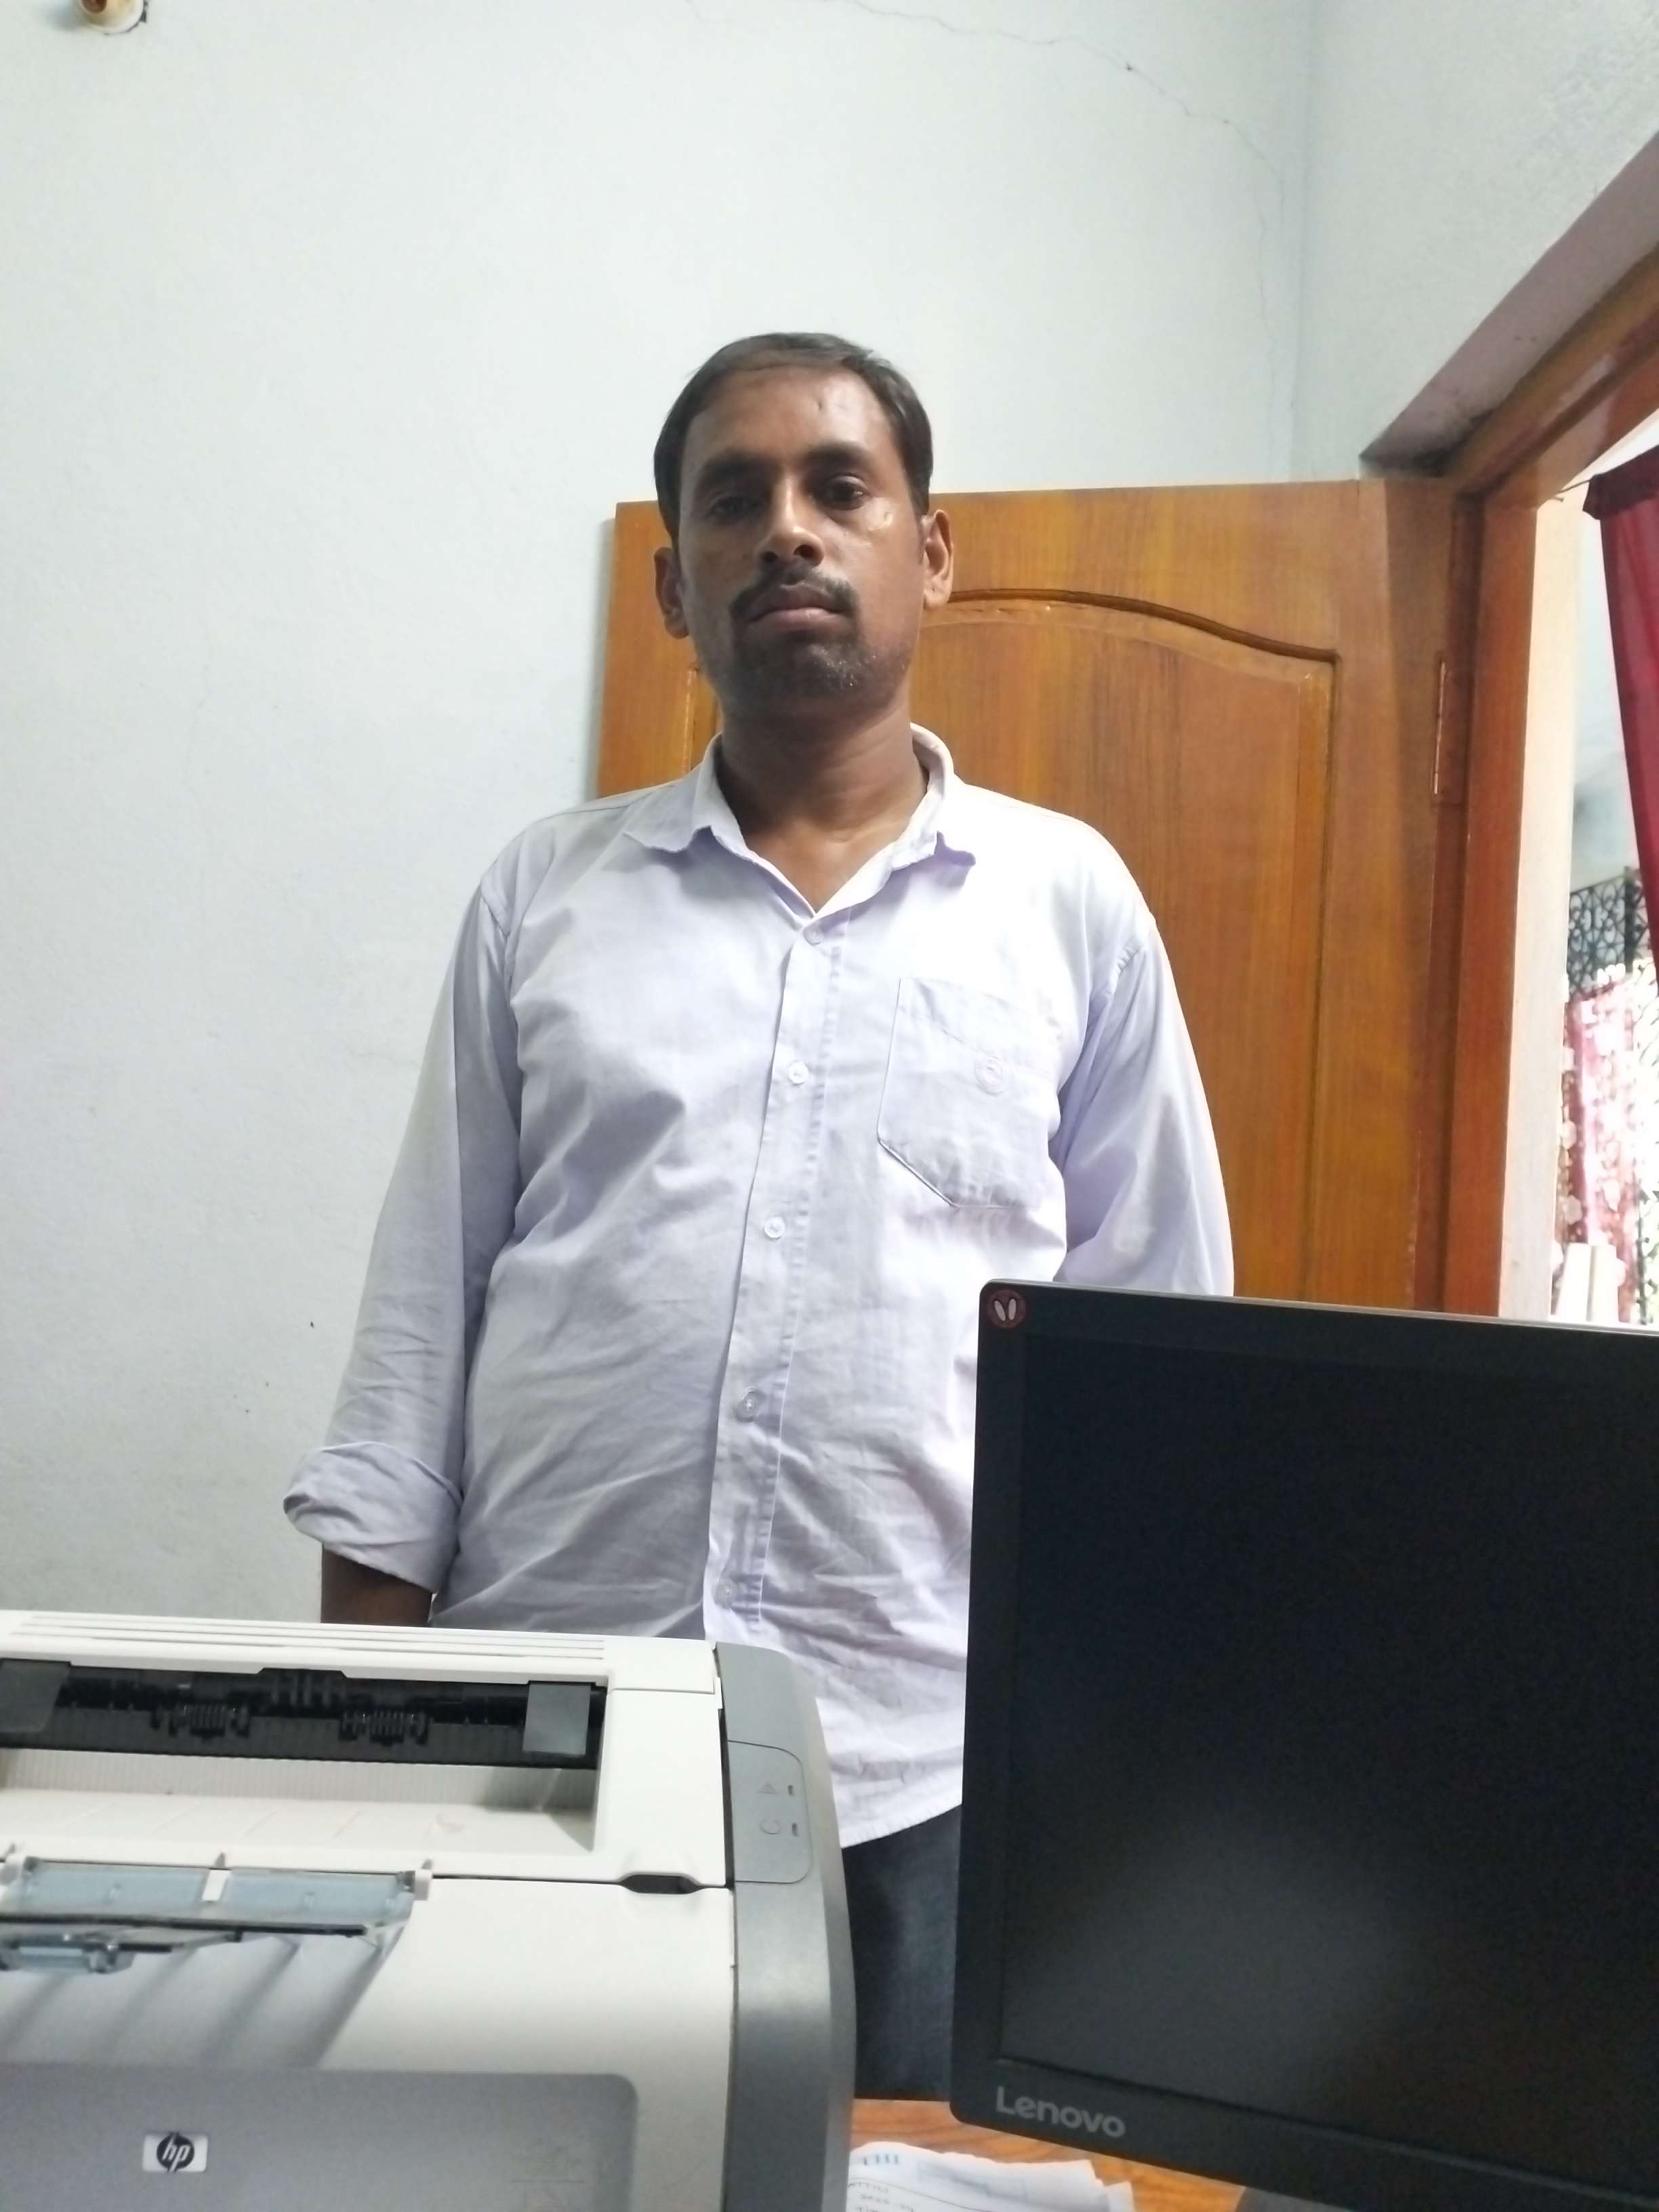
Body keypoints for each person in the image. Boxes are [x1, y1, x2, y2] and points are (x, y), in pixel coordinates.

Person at [285, 331, 1231, 2097]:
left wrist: (1119, 1780)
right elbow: (420, 1328)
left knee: (903, 2190)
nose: (788, 529)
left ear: (928, 554)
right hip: (542, 1752)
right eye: (735, 499)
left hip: (923, 1775)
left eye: (839, 489)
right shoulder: (546, 897)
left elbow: (1156, 1378)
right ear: (675, 587)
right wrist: (370, 1752)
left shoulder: (1067, 908)